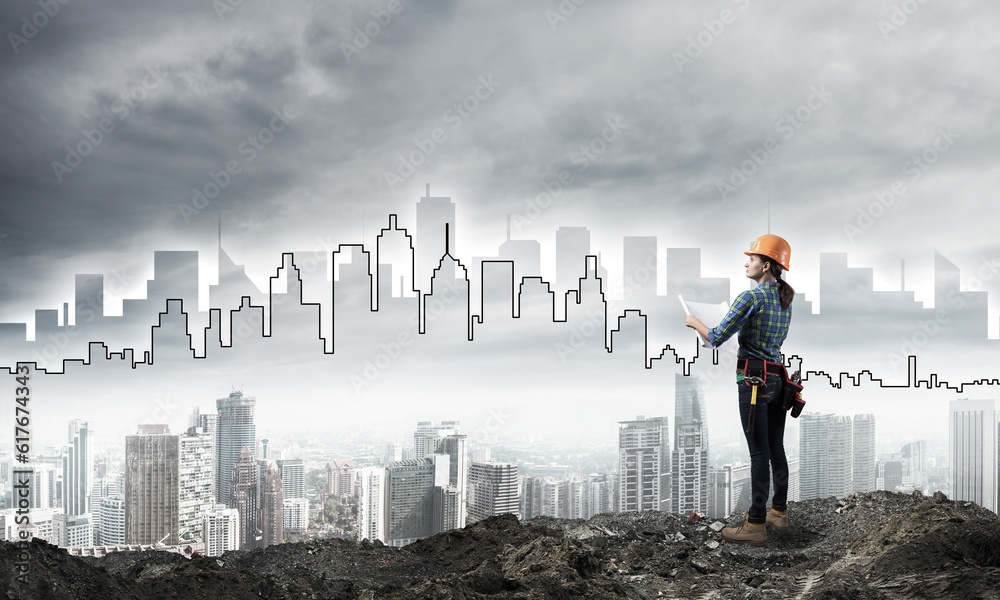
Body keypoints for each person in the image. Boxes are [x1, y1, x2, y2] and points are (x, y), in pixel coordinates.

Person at [684, 234, 795, 547]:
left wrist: (694, 322)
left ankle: (756, 525)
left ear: (767, 264)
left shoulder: (752, 298)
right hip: (777, 379)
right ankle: (779, 513)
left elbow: (717, 337)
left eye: (753, 258)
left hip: (754, 382)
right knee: (776, 448)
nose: (747, 262)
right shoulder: (785, 300)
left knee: (758, 453)